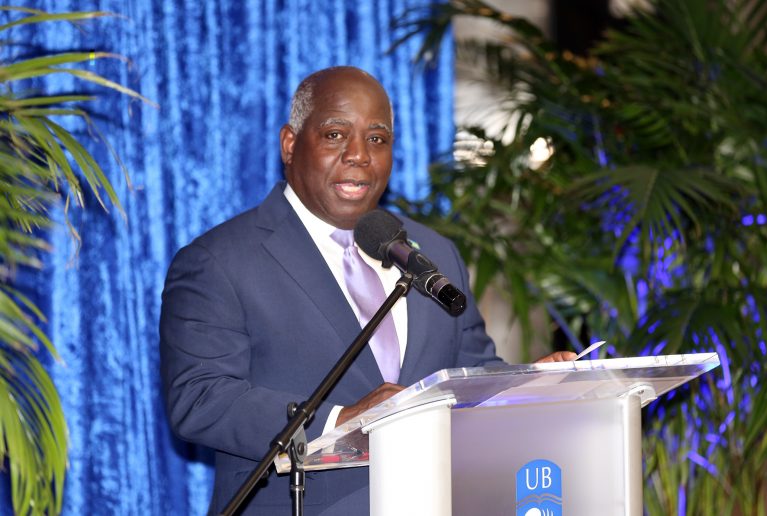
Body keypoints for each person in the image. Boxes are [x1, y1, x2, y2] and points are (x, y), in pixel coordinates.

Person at [160, 66, 575, 515]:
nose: (359, 154)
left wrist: (527, 386)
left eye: (377, 139)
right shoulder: (220, 260)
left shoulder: (434, 253)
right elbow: (201, 398)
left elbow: (470, 371)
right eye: (335, 135)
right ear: (290, 144)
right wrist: (342, 420)